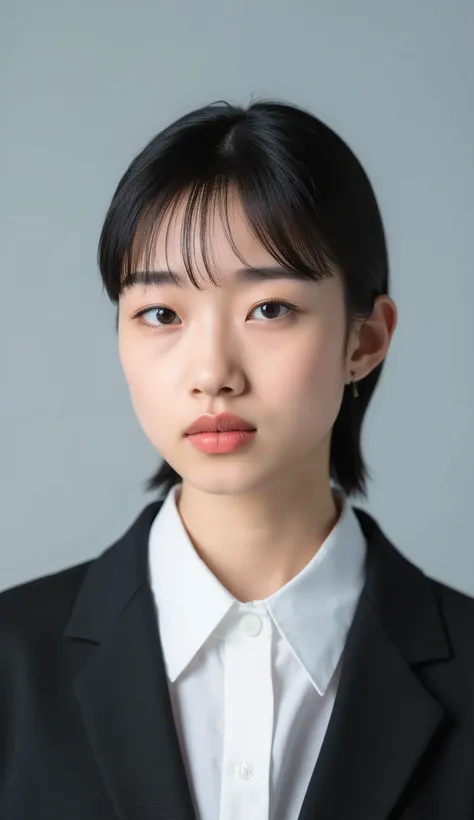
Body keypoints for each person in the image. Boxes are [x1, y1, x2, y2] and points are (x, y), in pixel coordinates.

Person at [1, 98, 473, 820]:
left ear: (365, 340)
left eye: (269, 309)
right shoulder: (10, 665)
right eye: (161, 314)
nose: (213, 371)